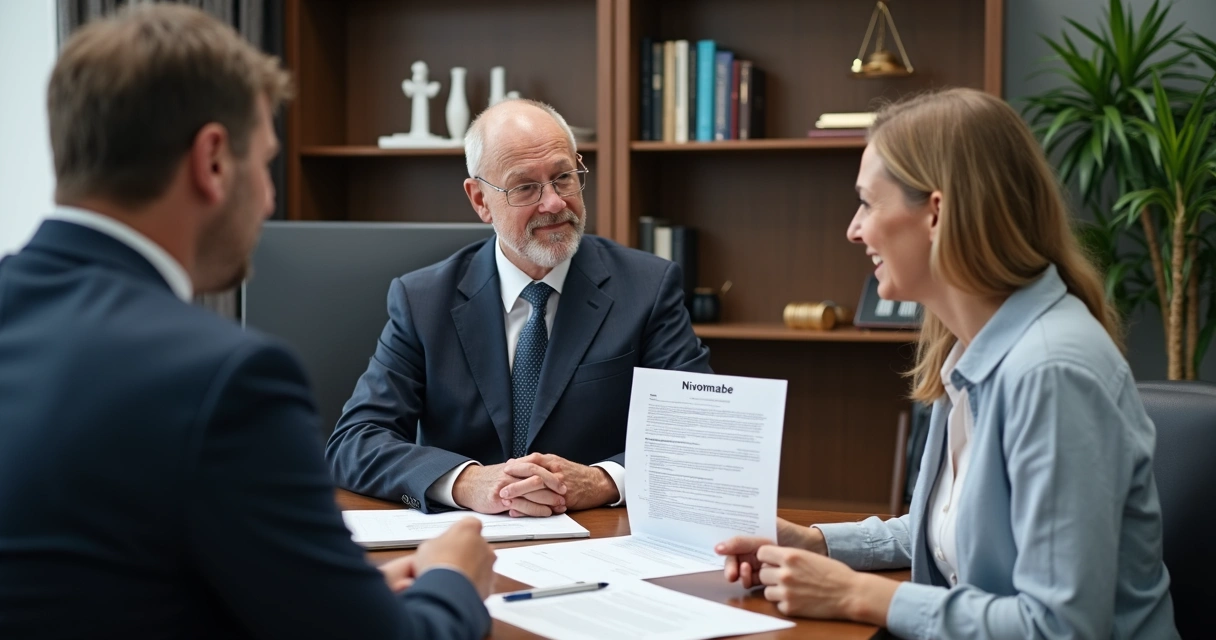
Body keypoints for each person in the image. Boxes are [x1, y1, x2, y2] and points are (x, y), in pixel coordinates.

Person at [0, 5, 494, 638]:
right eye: (263, 162)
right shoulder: (225, 379)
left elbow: (88, 576)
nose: (267, 197)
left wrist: (332, 592)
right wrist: (453, 581)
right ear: (212, 161)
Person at [715, 88, 1179, 639]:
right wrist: (815, 542)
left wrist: (858, 595)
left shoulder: (1053, 372)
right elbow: (946, 533)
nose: (854, 228)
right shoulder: (967, 346)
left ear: (936, 212)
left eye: (868, 202)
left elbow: (1062, 627)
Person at [327, 99, 711, 516]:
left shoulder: (648, 288)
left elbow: (697, 435)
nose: (554, 203)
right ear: (480, 200)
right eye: (525, 187)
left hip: (599, 541)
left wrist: (600, 481)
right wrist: (466, 481)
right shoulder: (422, 300)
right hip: (468, 543)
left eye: (564, 177)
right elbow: (355, 441)